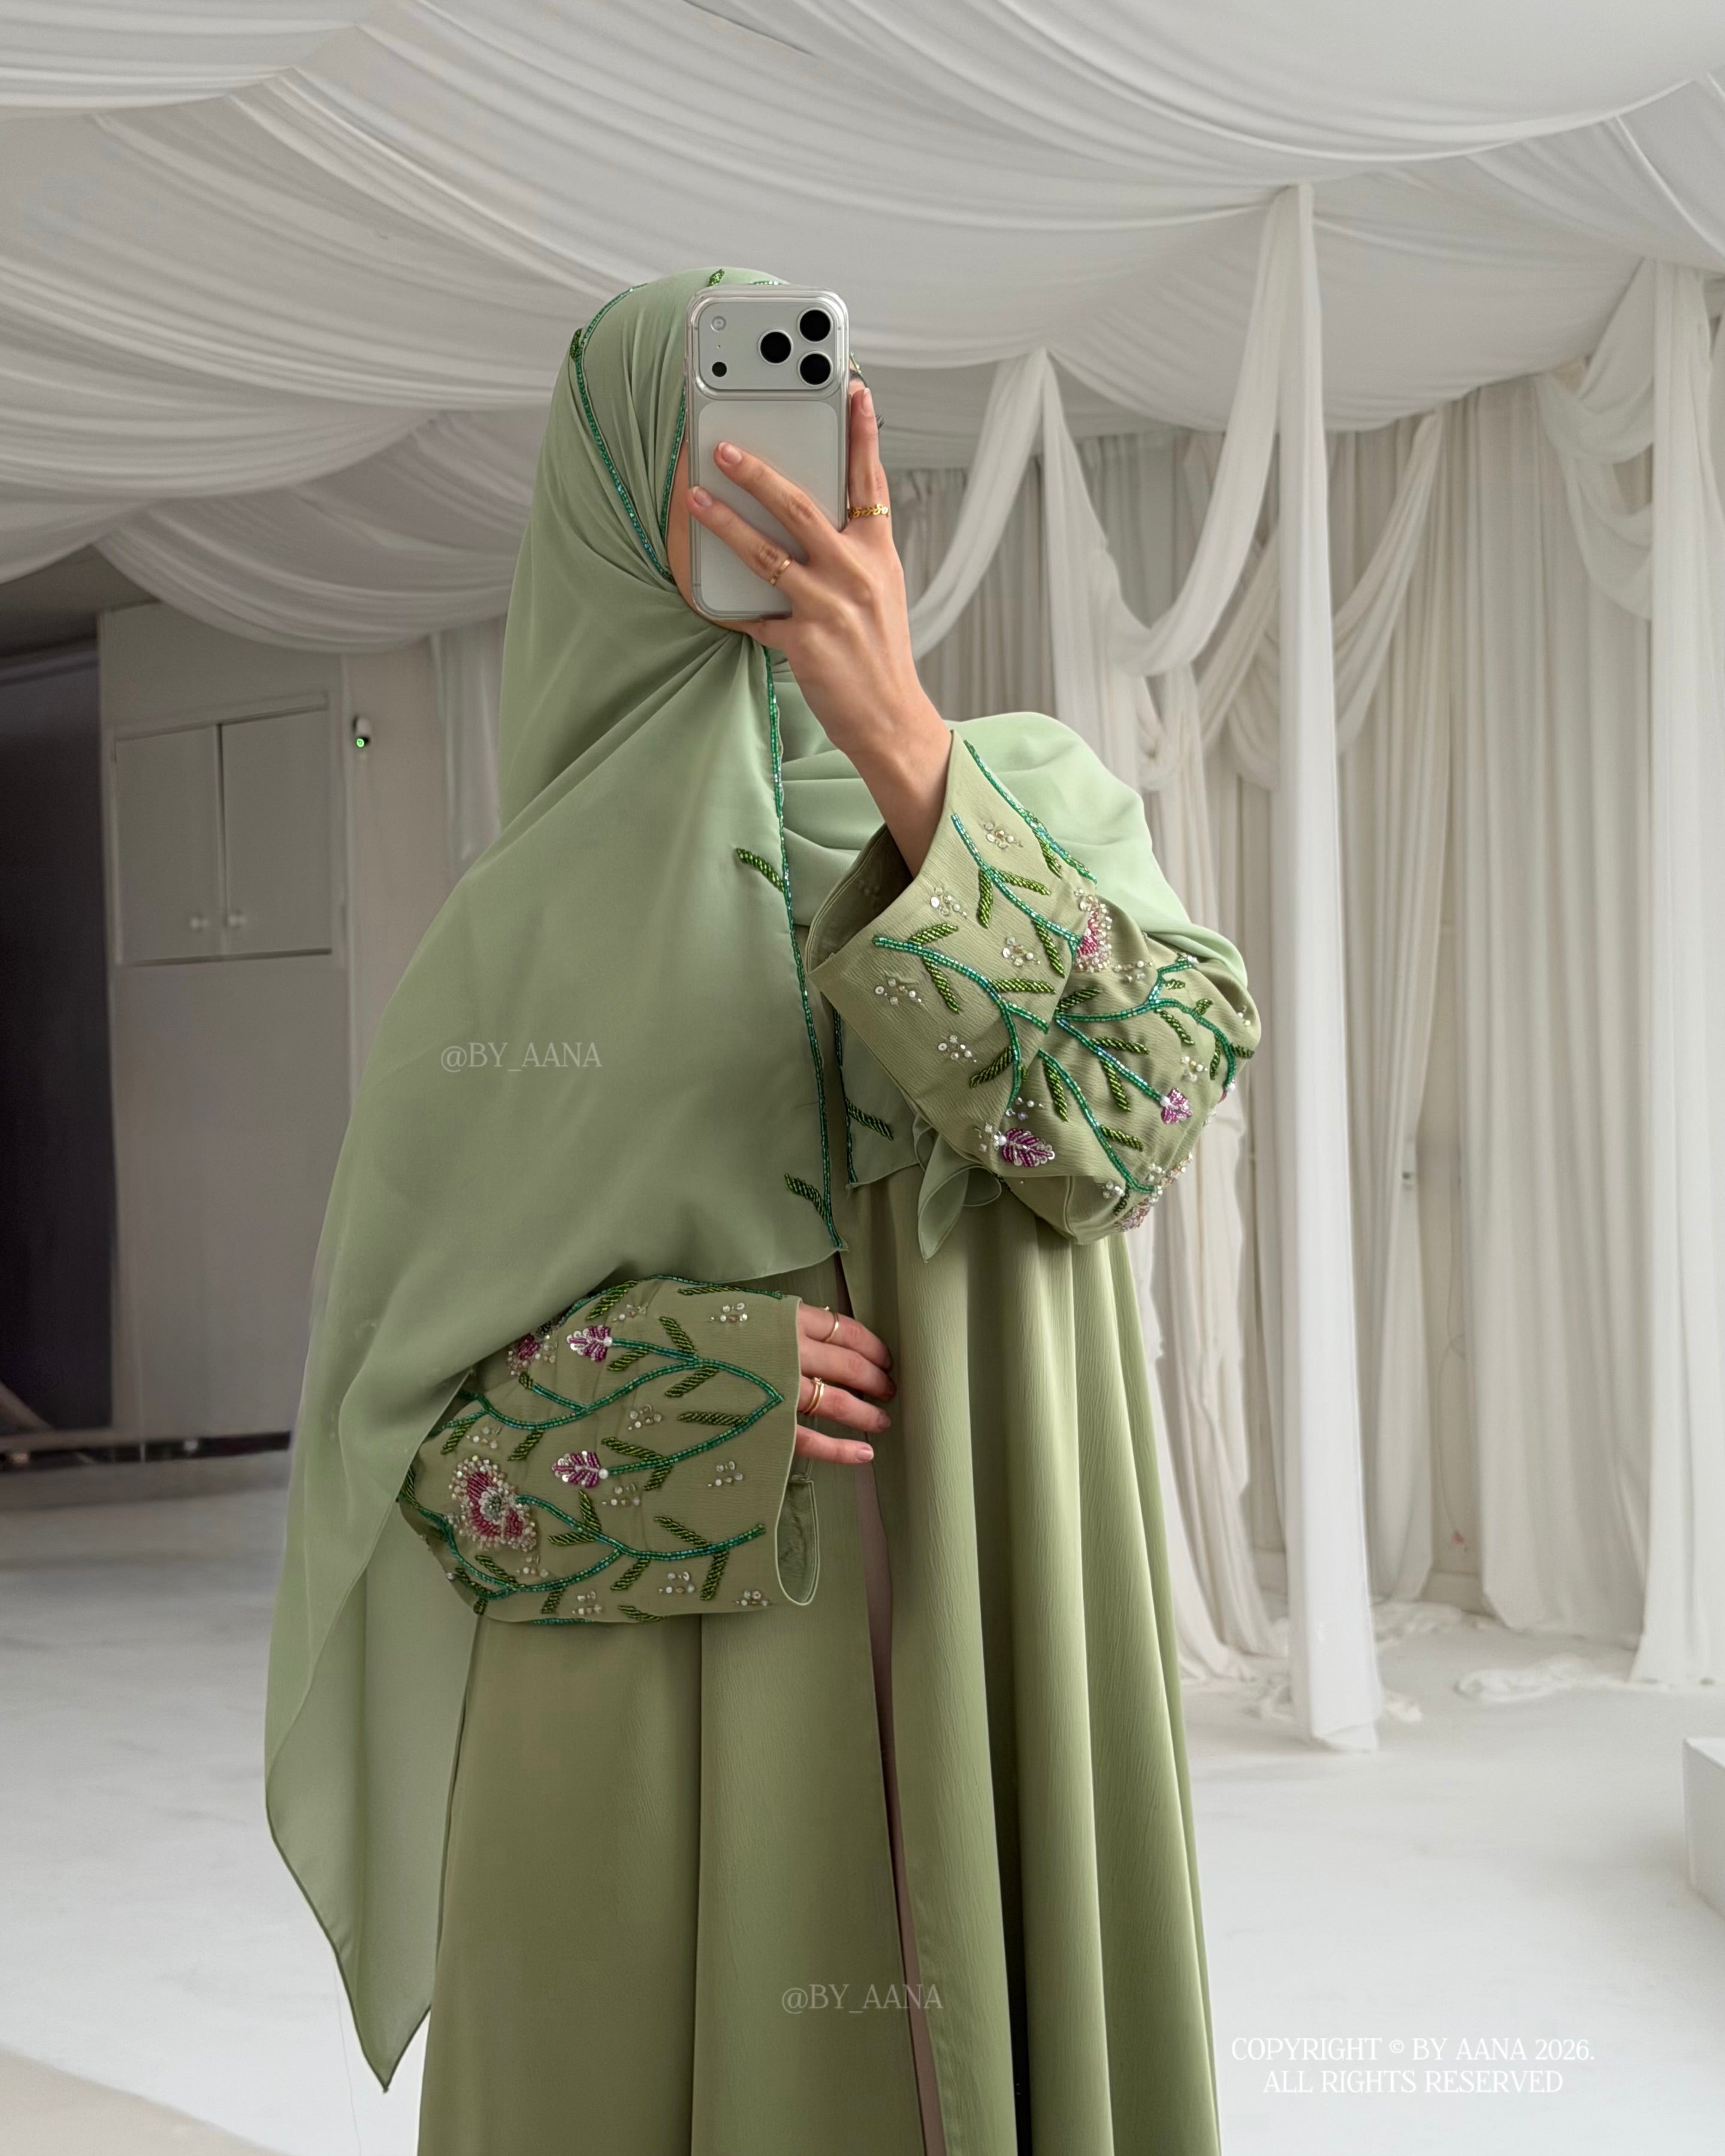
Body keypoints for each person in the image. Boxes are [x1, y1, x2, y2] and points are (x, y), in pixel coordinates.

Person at [265, 267, 1259, 2156]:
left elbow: (1142, 1113)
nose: (754, 477)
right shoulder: (511, 946)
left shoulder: (1027, 797)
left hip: (1007, 1623)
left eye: (788, 417)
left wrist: (904, 746)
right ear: (602, 507)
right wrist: (684, 1388)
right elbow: (406, 1453)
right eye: (696, 439)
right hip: (655, 1726)